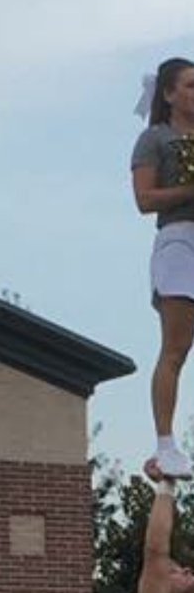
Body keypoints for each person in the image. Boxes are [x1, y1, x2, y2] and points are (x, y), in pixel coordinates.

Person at [132, 57, 194, 480]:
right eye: (190, 86)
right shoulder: (155, 138)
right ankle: (165, 443)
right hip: (179, 239)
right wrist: (190, 189)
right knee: (176, 346)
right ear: (169, 94)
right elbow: (144, 199)